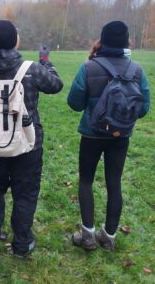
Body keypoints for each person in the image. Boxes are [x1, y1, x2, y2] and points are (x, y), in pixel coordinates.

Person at [0, 20, 63, 259]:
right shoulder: (32, 69)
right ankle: (22, 243)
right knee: (26, 192)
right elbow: (56, 85)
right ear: (15, 41)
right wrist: (46, 62)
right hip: (28, 144)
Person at [67, 21, 150, 250]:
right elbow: (143, 109)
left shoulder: (88, 67)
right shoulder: (137, 71)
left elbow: (74, 103)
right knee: (114, 183)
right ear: (127, 42)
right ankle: (109, 237)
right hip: (120, 137)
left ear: (101, 41)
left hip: (92, 135)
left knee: (86, 181)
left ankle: (87, 235)